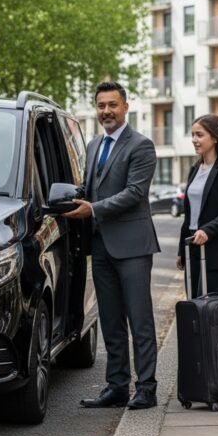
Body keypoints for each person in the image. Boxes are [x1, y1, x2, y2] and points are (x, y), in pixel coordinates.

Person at [65, 81, 160, 410]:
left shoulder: (141, 146)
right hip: (101, 245)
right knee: (110, 320)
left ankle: (146, 388)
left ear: (125, 107)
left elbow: (135, 193)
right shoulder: (93, 145)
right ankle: (117, 386)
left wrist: (92, 209)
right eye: (101, 105)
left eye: (112, 105)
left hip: (132, 247)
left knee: (140, 320)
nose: (106, 111)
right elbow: (90, 189)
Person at [176, 114, 218, 297]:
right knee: (192, 303)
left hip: (217, 248)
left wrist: (207, 230)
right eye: (192, 135)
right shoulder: (195, 169)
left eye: (199, 135)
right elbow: (189, 215)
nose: (194, 140)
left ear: (215, 138)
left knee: (208, 305)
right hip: (192, 245)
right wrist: (181, 250)